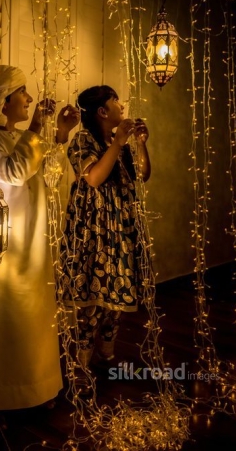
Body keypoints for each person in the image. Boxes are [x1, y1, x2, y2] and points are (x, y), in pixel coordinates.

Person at [0, 65, 79, 412]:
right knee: (6, 319)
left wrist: (60, 132)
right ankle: (0, 396)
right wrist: (36, 128)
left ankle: (37, 389)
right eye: (22, 92)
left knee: (36, 317)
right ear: (3, 101)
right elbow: (15, 172)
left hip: (34, 240)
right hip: (5, 248)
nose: (29, 99)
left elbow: (49, 173)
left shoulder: (19, 137)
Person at [58, 84, 151, 382]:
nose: (121, 105)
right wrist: (118, 142)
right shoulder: (83, 140)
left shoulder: (117, 143)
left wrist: (140, 143)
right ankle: (81, 366)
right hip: (93, 229)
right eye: (115, 100)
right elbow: (95, 178)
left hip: (120, 227)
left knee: (116, 297)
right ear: (102, 111)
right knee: (93, 300)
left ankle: (107, 355)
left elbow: (142, 175)